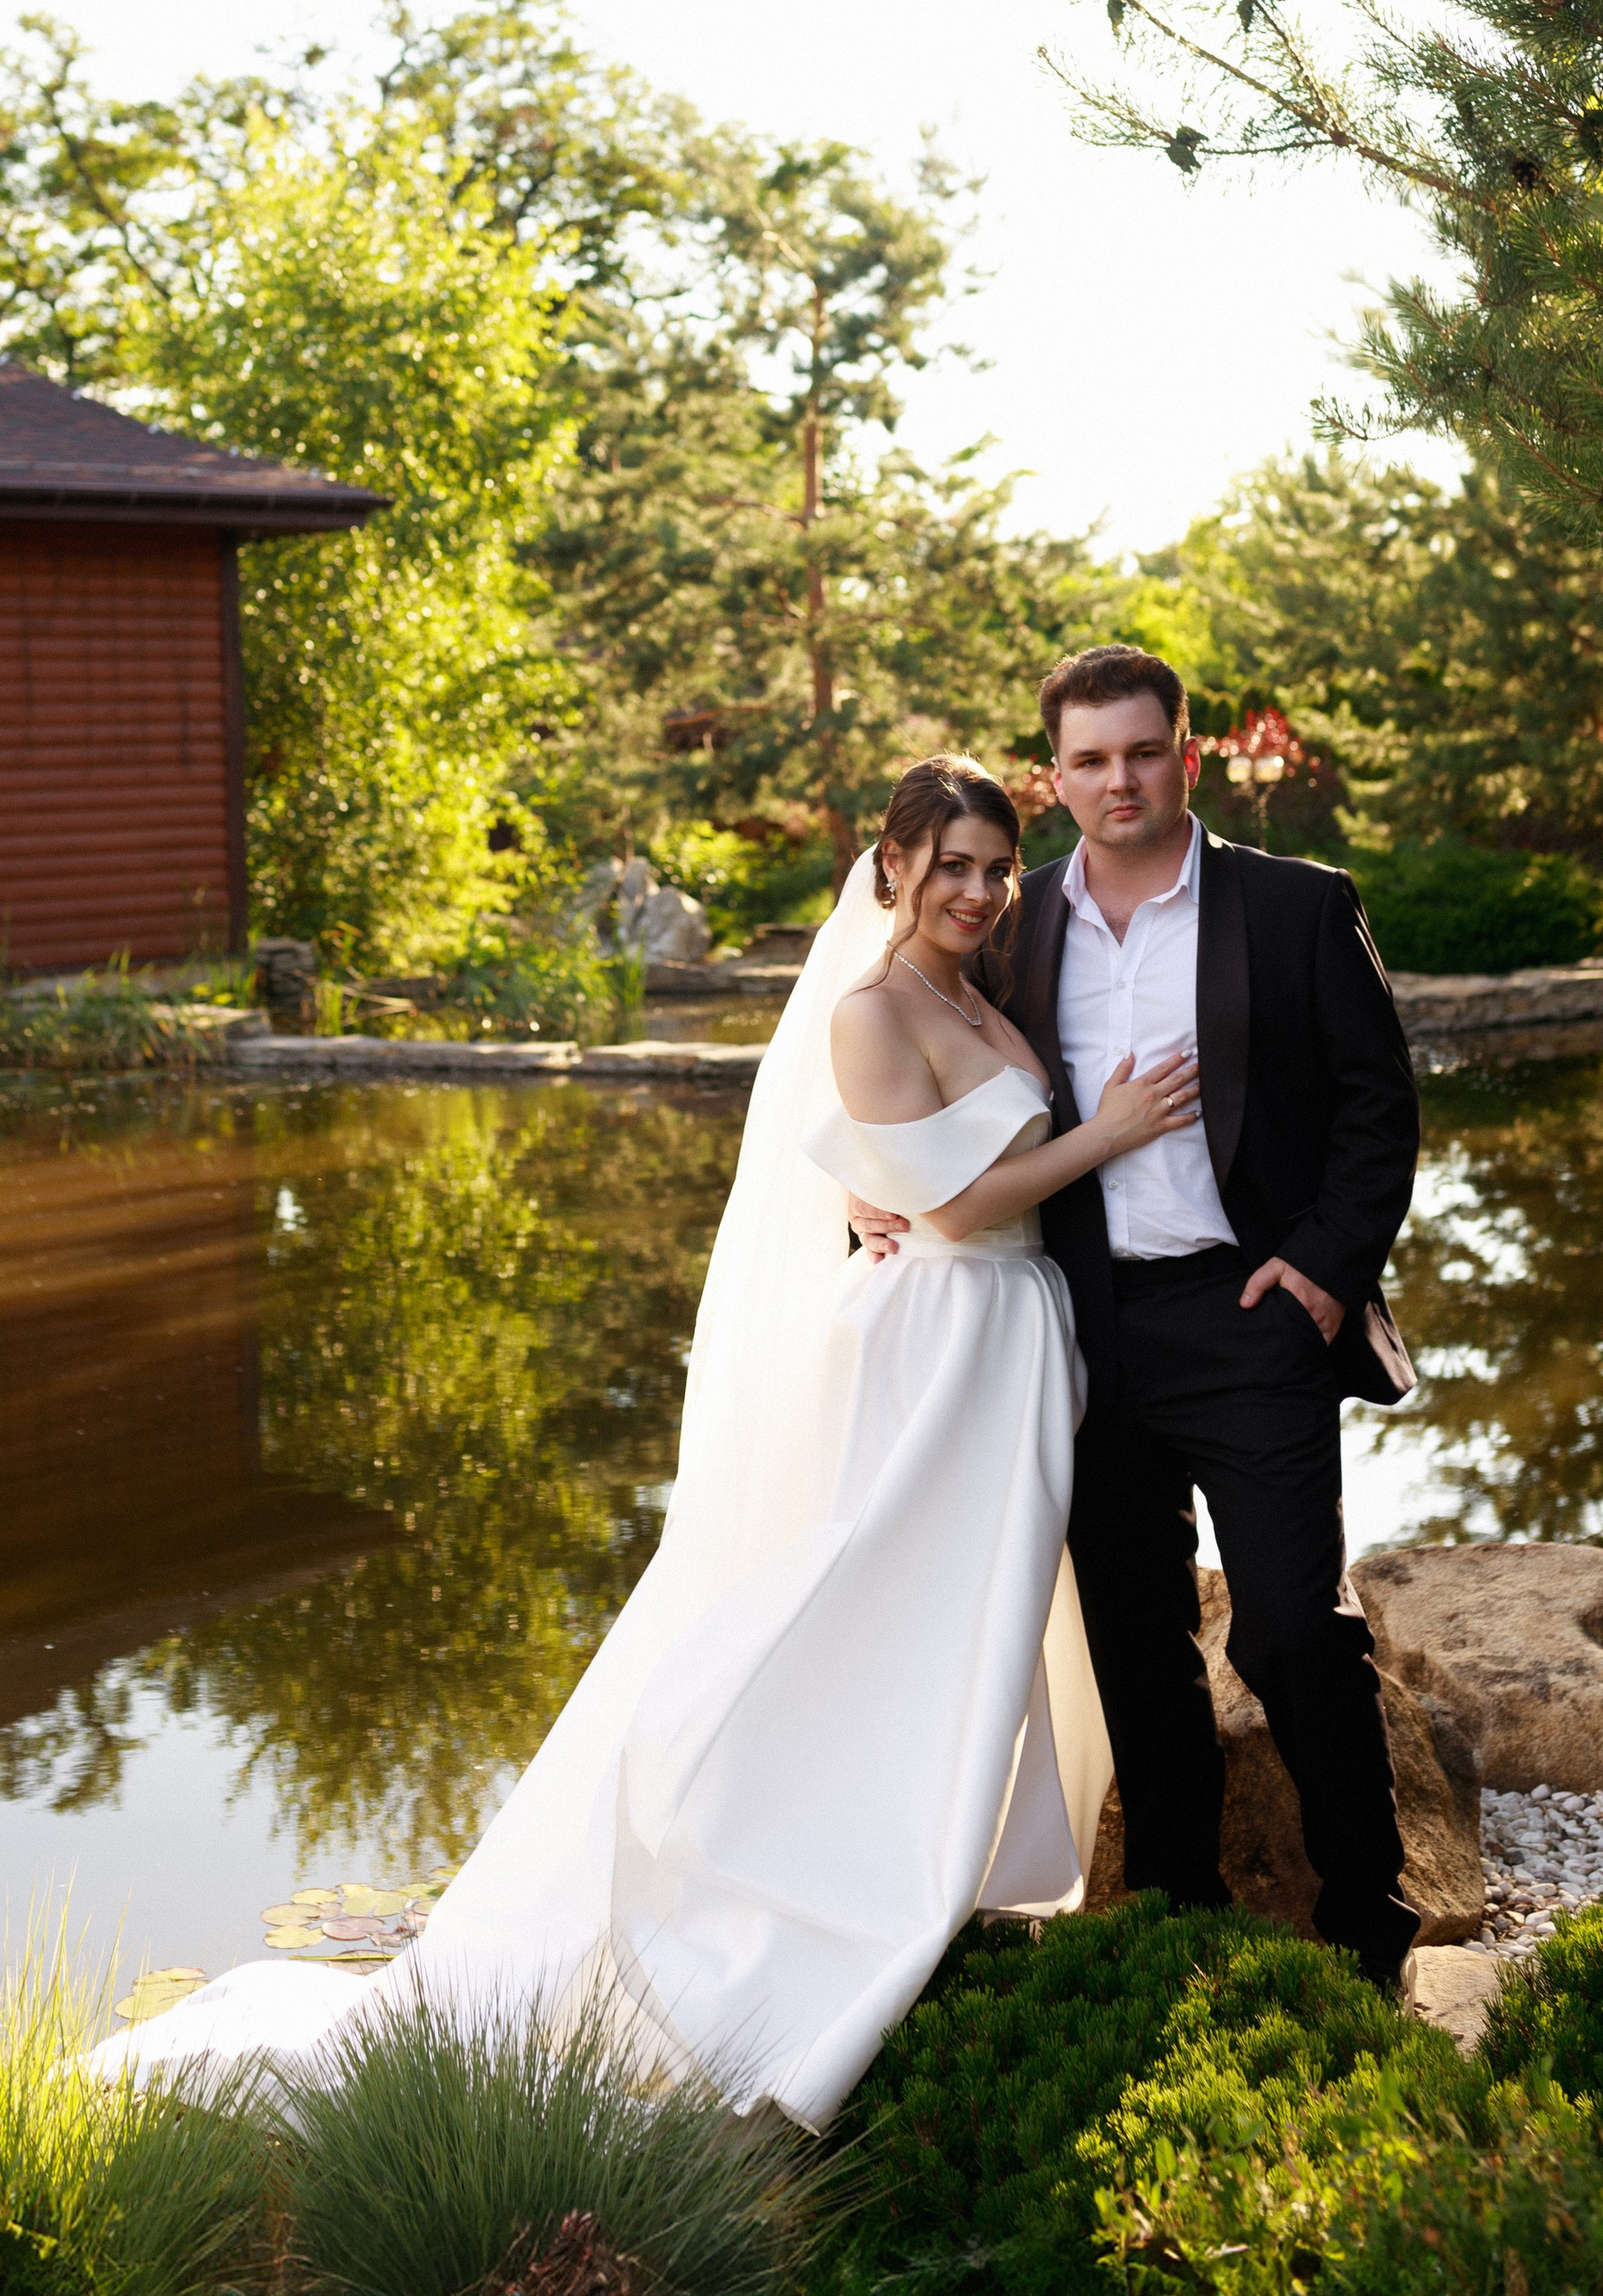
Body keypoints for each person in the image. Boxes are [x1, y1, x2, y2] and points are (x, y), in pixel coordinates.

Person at [89, 756, 1192, 2127]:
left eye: (993, 866)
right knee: (888, 1596)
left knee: (979, 1610)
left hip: (1008, 1344)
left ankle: (945, 1862)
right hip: (940, 1344)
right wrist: (1112, 1132)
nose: (976, 889)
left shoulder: (982, 990)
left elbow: (907, 1179)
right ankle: (772, 1848)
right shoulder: (869, 1012)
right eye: (950, 863)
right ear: (893, 865)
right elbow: (958, 1208)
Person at [855, 649, 1421, 1980]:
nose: (1120, 781)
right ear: (1055, 776)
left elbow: (1376, 1105)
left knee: (1292, 1626)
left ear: (1189, 753)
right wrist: (867, 1195)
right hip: (1077, 1327)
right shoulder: (1012, 921)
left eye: (1143, 752)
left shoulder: (1296, 908)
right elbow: (899, 1059)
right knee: (1135, 1643)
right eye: (1091, 760)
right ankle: (1179, 1922)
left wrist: (1323, 1271)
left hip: (1251, 1313)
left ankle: (1368, 1929)